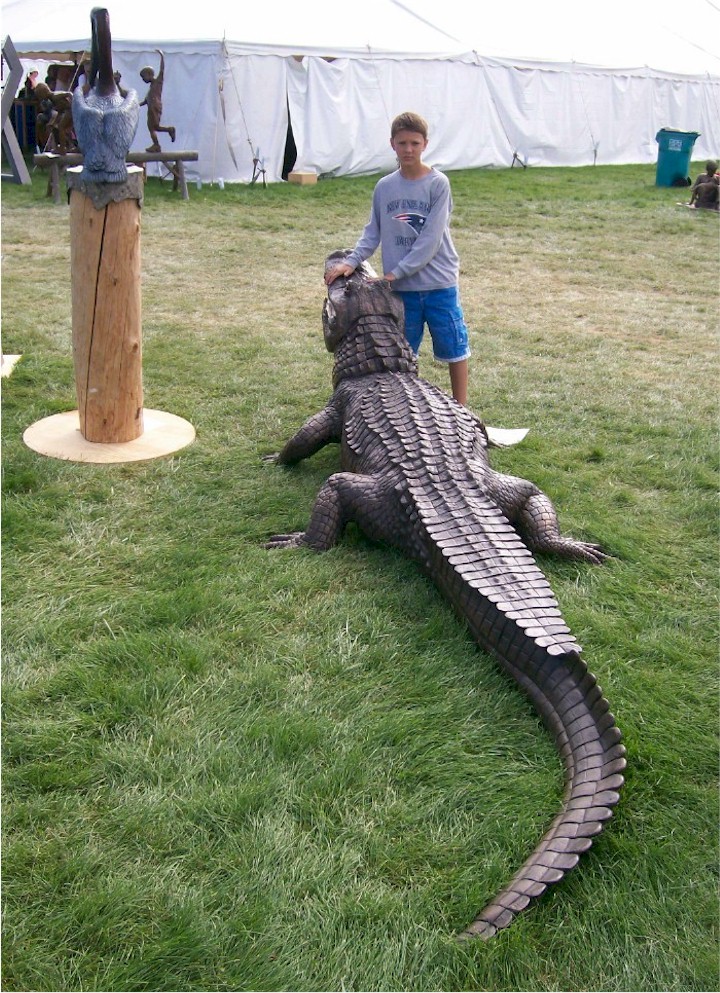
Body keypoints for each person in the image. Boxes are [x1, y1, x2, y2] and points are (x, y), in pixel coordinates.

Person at [325, 111, 470, 404]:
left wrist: (393, 274)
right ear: (392, 144)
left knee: (454, 347)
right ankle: (407, 407)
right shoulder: (385, 187)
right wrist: (351, 262)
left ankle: (462, 407)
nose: (408, 149)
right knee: (402, 354)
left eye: (414, 143)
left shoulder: (438, 184)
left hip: (438, 285)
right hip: (403, 292)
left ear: (425, 144)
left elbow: (430, 240)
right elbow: (373, 232)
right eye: (402, 143)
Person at [139, 50, 176, 152]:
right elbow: (145, 101)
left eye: (144, 77)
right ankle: (169, 130)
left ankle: (156, 145)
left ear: (150, 74)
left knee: (152, 127)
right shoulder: (151, 89)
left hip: (154, 107)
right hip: (153, 106)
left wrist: (162, 56)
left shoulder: (158, 82)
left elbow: (162, 70)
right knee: (155, 127)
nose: (143, 80)